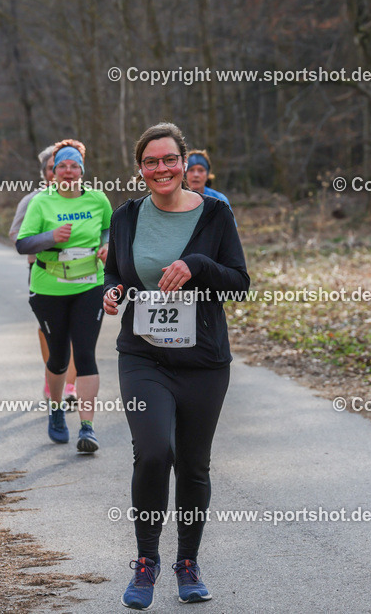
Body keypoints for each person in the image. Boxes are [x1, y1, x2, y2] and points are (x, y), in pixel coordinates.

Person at [103, 122, 248, 609]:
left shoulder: (215, 214)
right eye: (151, 161)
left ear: (185, 164)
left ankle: (188, 562)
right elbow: (116, 272)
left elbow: (238, 283)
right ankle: (146, 563)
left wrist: (199, 266)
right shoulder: (125, 216)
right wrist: (113, 291)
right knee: (151, 452)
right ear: (140, 168)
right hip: (143, 356)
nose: (161, 169)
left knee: (193, 463)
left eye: (169, 160)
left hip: (204, 362)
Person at [16, 139, 112, 453]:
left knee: (84, 355)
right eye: (62, 166)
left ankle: (88, 428)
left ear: (81, 171)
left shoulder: (98, 200)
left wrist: (107, 245)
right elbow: (23, 244)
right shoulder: (41, 203)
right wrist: (50, 237)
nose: (68, 171)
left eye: (74, 166)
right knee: (58, 359)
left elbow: (111, 229)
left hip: (89, 285)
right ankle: (56, 410)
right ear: (54, 172)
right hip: (48, 289)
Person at [8, 146, 78, 405]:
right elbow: (16, 236)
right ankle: (54, 379)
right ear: (46, 172)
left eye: (63, 166)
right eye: (52, 168)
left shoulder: (84, 199)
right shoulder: (32, 201)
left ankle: (69, 386)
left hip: (78, 270)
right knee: (51, 331)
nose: (57, 172)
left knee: (75, 330)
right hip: (42, 271)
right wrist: (47, 241)